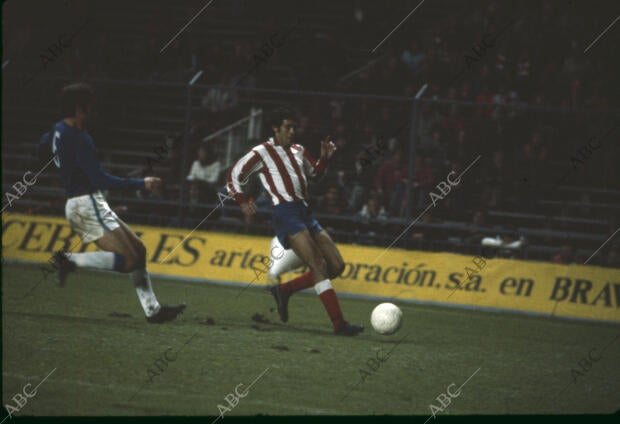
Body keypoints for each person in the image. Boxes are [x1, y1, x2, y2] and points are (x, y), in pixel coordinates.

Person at [39, 83, 186, 323]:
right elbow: (99, 179)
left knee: (139, 251)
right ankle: (69, 260)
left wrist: (64, 167)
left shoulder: (57, 130)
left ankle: (153, 310)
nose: (93, 111)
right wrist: (142, 183)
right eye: (90, 107)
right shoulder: (80, 138)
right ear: (79, 109)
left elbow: (41, 150)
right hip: (86, 204)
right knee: (128, 260)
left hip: (83, 202)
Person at [227, 107, 364, 336]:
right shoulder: (262, 152)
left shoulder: (299, 150)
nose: (292, 131)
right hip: (285, 213)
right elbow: (234, 175)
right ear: (276, 128)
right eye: (287, 127)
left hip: (304, 211)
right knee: (318, 265)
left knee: (337, 266)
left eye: (294, 127)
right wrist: (242, 201)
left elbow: (315, 175)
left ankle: (284, 290)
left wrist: (324, 159)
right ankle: (339, 324)